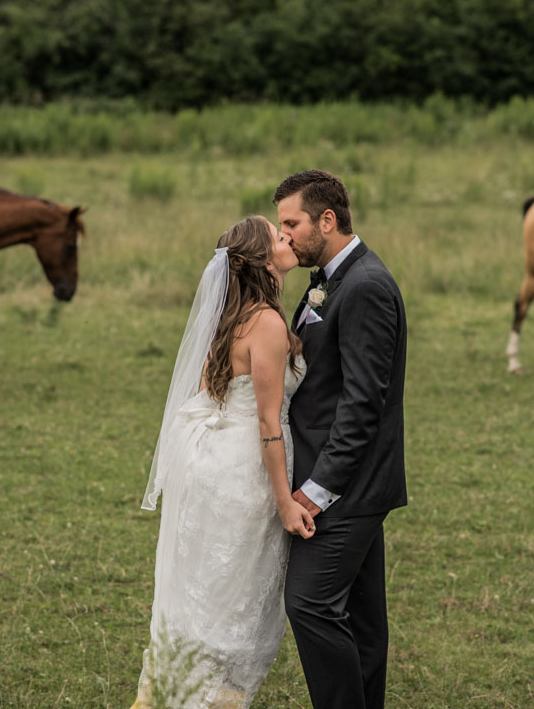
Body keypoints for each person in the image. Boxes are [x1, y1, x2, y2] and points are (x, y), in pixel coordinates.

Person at [131, 216, 315, 709]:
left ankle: (169, 692)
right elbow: (268, 423)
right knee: (235, 598)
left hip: (210, 462)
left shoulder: (229, 316)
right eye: (277, 235)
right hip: (244, 469)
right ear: (262, 260)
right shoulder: (268, 323)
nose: (287, 237)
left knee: (204, 588)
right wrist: (284, 502)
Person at [274, 170, 408, 709]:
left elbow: (362, 403)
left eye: (292, 224)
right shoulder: (331, 277)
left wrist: (317, 489)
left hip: (346, 486)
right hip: (346, 481)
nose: (284, 235)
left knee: (308, 603)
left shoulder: (366, 286)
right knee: (362, 620)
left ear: (327, 220)